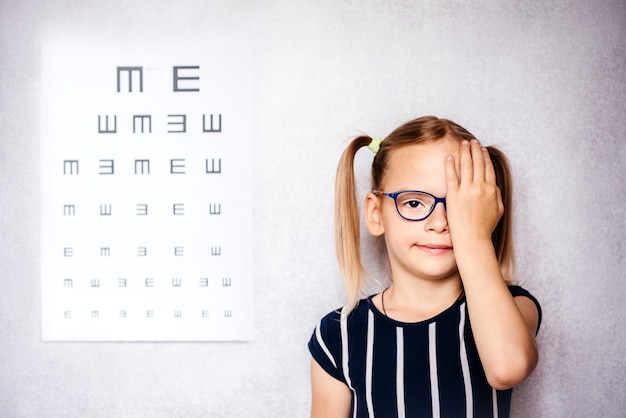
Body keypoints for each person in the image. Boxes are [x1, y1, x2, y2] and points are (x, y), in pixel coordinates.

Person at [308, 116, 541, 418]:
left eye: (458, 206)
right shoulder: (337, 336)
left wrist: (473, 234)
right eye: (414, 203)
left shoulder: (513, 307)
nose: (440, 223)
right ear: (376, 214)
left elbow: (507, 367)